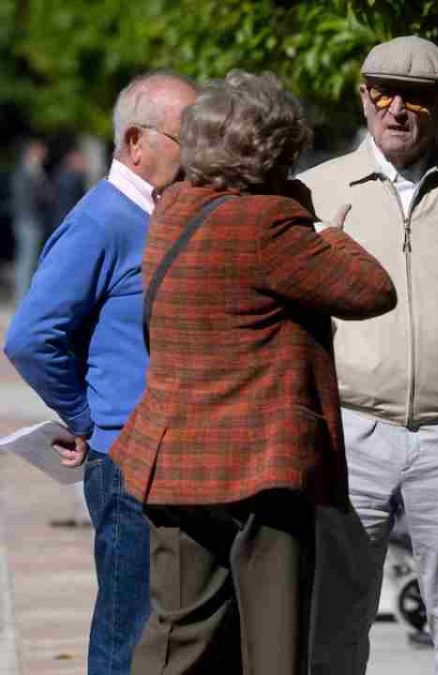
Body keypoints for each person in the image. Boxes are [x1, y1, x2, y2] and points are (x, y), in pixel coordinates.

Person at [109, 70, 396, 674]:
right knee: (274, 645)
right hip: (260, 466)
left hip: (176, 458)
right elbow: (372, 289)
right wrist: (324, 228)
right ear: (280, 151)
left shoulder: (173, 208)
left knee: (177, 634)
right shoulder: (270, 226)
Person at [298, 35, 438, 675]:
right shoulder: (316, 189)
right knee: (335, 623)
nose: (397, 109)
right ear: (365, 97)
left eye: (417, 98)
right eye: (384, 93)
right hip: (352, 434)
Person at [3, 72, 197, 674]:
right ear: (137, 143)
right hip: (127, 462)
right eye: (188, 135)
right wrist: (87, 415)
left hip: (167, 455)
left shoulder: (155, 214)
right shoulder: (103, 221)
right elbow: (31, 338)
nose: (202, 150)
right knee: (127, 635)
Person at [7, 138, 52, 300]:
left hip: (31, 220)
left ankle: (25, 295)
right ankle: (22, 297)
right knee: (26, 260)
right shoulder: (27, 173)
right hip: (27, 221)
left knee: (30, 260)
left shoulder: (33, 172)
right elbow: (35, 197)